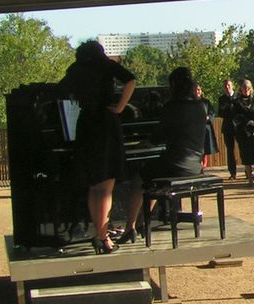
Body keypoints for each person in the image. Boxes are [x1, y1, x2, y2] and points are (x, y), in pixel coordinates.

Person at [58, 40, 137, 254]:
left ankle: (99, 232)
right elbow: (131, 80)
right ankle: (102, 237)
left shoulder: (76, 69)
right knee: (107, 184)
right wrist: (119, 108)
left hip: (85, 123)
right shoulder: (106, 65)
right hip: (106, 122)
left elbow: (61, 90)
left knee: (94, 184)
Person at [120, 67, 212, 243]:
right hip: (195, 165)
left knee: (141, 179)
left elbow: (156, 138)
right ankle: (142, 221)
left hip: (176, 163)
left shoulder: (171, 107)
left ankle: (130, 226)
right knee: (153, 179)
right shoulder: (201, 107)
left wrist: (143, 143)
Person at [231, 79, 254, 186]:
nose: (246, 89)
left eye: (248, 87)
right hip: (244, 132)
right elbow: (236, 116)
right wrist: (248, 122)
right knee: (246, 156)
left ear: (251, 88)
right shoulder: (236, 102)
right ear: (240, 89)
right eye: (244, 87)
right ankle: (250, 181)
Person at [217, 79, 238, 180]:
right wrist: (230, 109)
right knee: (230, 151)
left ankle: (248, 172)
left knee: (244, 149)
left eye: (229, 85)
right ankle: (232, 173)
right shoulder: (222, 99)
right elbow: (220, 113)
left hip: (239, 126)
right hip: (227, 127)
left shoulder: (238, 97)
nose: (227, 87)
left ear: (232, 86)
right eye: (225, 86)